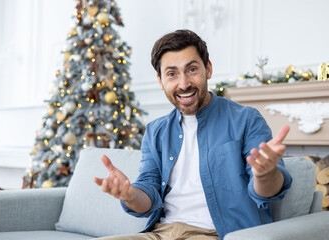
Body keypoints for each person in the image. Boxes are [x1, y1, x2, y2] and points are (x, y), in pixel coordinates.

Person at [93, 29, 292, 240]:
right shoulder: (155, 131)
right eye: (172, 74)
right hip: (161, 233)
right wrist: (130, 195)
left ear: (208, 69)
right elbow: (147, 194)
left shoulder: (246, 119)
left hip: (218, 234)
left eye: (192, 69)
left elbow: (268, 191)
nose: (184, 83)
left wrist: (264, 174)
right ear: (160, 81)